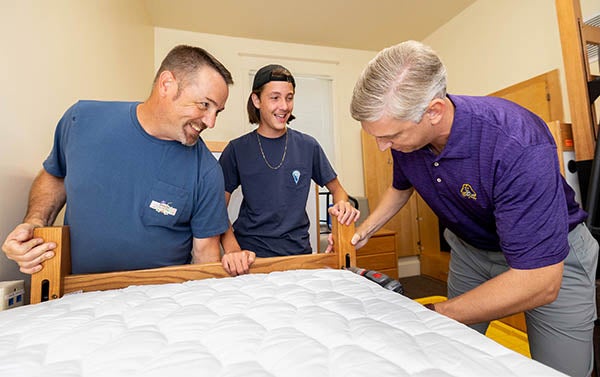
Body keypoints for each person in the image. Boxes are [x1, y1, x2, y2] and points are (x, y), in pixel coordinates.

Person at [349, 40, 598, 377]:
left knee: (559, 371)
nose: (382, 147)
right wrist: (367, 228)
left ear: (434, 111)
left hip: (552, 259)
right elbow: (401, 186)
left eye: (390, 136)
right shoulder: (407, 135)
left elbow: (541, 280)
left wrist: (432, 313)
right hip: (472, 252)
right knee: (451, 355)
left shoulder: (517, 143)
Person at [2, 45, 234, 275]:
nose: (211, 122)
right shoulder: (81, 120)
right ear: (166, 85)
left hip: (161, 300)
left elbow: (205, 257)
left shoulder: (207, 171)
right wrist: (34, 223)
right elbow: (56, 174)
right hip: (75, 294)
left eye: (217, 111)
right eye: (204, 105)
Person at [218, 64, 359, 275]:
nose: (284, 106)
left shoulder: (308, 146)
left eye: (289, 97)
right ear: (257, 100)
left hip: (299, 255)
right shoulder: (237, 149)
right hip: (250, 257)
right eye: (274, 98)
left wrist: (342, 206)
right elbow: (216, 208)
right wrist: (233, 250)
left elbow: (338, 190)